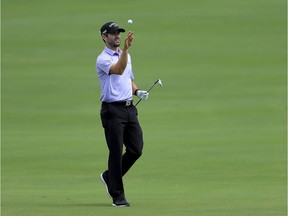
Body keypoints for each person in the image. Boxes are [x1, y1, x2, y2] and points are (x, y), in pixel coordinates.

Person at [96, 21, 149, 207]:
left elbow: (128, 79)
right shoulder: (103, 59)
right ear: (104, 37)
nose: (117, 36)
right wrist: (125, 50)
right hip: (112, 111)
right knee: (116, 152)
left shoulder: (126, 55)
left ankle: (109, 176)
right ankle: (118, 196)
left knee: (136, 149)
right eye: (113, 33)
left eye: (118, 33)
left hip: (129, 109)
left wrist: (137, 91)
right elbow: (118, 70)